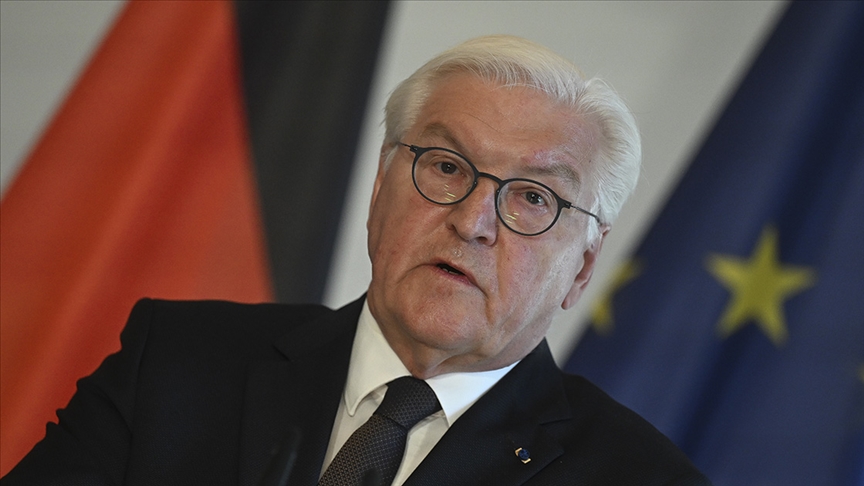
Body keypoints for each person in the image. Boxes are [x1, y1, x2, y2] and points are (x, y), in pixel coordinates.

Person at [2, 35, 710, 485]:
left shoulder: (640, 478)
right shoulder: (176, 363)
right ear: (379, 189)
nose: (472, 222)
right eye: (446, 166)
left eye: (532, 198)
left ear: (582, 267)